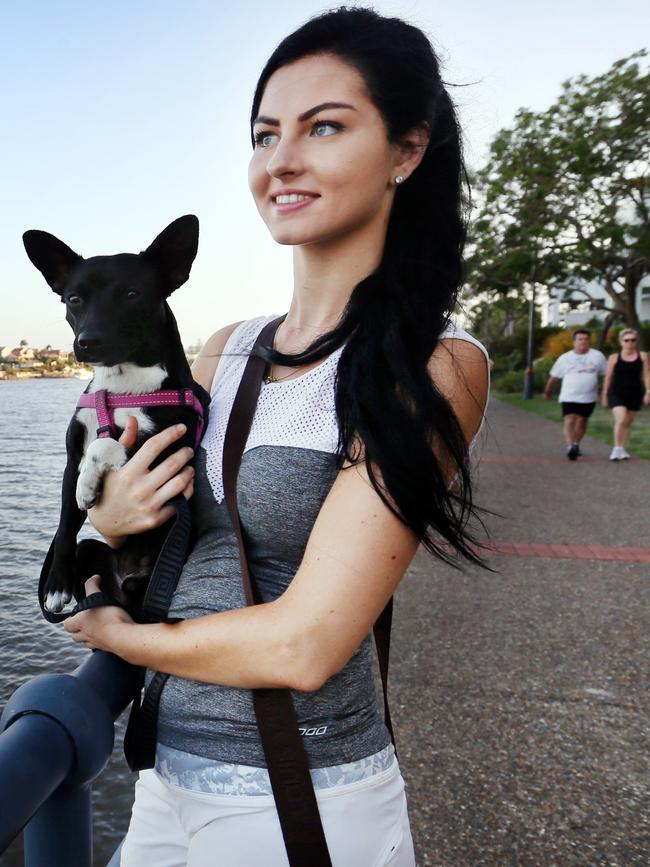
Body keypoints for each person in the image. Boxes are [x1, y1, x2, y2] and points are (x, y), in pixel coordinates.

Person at [63, 9, 489, 866]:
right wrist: (108, 517)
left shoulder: (436, 364)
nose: (281, 160)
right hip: (163, 770)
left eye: (325, 126)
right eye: (265, 134)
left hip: (299, 793)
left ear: (407, 151)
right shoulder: (226, 349)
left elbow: (306, 644)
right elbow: (147, 528)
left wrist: (115, 638)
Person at [543, 329, 606, 460]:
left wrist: (602, 392)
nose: (583, 342)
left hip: (589, 396)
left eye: (585, 339)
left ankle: (576, 444)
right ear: (574, 342)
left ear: (589, 341)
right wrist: (548, 391)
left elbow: (605, 375)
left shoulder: (597, 356)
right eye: (580, 339)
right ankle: (571, 446)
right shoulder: (565, 358)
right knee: (570, 418)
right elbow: (554, 377)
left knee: (582, 421)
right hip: (569, 395)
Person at [601, 328, 650, 460]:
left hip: (635, 392)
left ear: (636, 341)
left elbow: (646, 375)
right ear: (621, 342)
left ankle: (622, 448)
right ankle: (616, 449)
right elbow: (608, 377)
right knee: (621, 418)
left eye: (633, 340)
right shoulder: (614, 358)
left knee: (628, 422)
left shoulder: (643, 356)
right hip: (617, 392)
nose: (630, 342)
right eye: (627, 340)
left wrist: (648, 392)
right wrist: (604, 395)